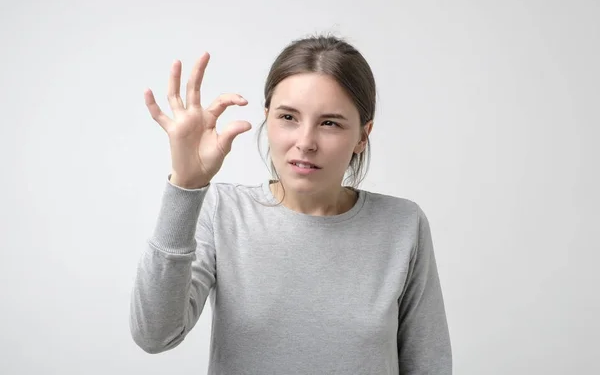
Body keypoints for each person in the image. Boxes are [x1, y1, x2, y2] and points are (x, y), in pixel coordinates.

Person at [129, 35, 452, 374]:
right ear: (267, 118)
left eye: (330, 123)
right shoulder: (223, 211)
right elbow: (155, 335)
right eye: (288, 117)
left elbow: (428, 364)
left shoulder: (403, 224)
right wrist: (185, 186)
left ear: (362, 135)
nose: (305, 142)